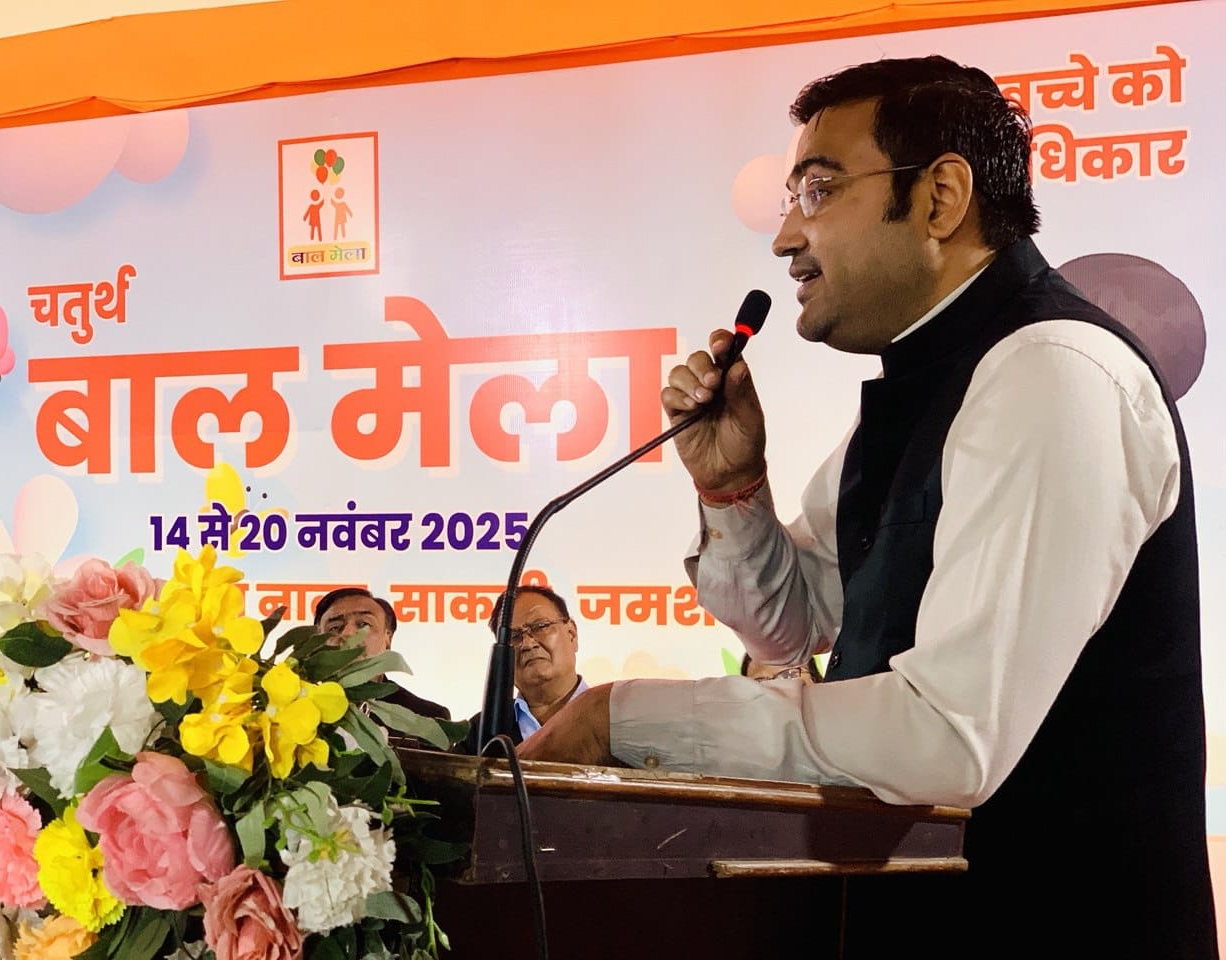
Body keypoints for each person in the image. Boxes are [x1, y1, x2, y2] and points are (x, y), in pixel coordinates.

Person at [518, 55, 1216, 955]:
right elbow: (792, 625)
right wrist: (733, 491)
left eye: (817, 189)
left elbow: (948, 737)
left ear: (940, 198)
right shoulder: (936, 375)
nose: (785, 237)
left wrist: (623, 719)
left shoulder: (1053, 374)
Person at [458, 585, 587, 754]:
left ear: (571, 634)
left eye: (540, 626)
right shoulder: (481, 731)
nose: (527, 644)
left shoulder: (612, 716)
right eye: (514, 636)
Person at [314, 587, 451, 721]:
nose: (348, 633)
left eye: (363, 625)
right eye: (335, 627)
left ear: (388, 637)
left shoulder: (426, 717)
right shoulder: (302, 705)